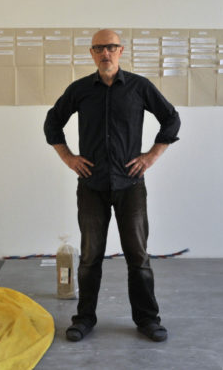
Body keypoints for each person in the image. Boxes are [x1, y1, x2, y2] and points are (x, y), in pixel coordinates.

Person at [43, 29, 180, 343]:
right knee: (91, 257)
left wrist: (151, 156)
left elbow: (171, 119)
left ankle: (148, 320)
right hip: (91, 185)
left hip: (130, 184)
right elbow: (53, 122)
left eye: (112, 47)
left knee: (138, 257)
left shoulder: (139, 87)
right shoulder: (79, 90)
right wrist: (68, 157)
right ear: (92, 53)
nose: (106, 53)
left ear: (121, 51)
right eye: (100, 48)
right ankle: (84, 319)